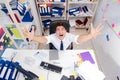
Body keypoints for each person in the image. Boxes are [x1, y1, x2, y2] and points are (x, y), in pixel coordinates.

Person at [23, 22, 103, 50]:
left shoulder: (69, 35)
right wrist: (34, 37)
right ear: (55, 32)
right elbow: (44, 39)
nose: (60, 31)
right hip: (56, 51)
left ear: (66, 31)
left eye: (62, 29)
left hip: (66, 51)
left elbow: (78, 39)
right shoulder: (53, 36)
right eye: (58, 29)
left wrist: (90, 35)